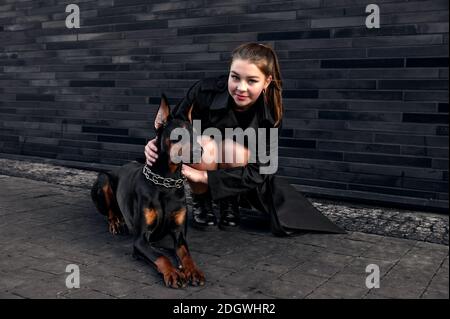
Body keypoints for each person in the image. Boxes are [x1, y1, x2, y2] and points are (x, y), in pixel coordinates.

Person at [144, 42, 344, 236]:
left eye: (252, 80)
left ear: (267, 81)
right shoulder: (204, 91)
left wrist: (205, 178)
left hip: (238, 171)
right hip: (203, 155)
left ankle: (229, 203)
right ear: (229, 73)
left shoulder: (271, 115)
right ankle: (202, 202)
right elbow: (174, 128)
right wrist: (154, 145)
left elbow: (262, 169)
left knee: (234, 146)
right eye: (235, 77)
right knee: (203, 143)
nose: (241, 87)